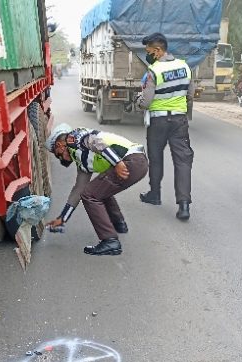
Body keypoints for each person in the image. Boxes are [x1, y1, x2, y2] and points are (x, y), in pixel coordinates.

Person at [45, 123, 148, 256]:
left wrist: (116, 162)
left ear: (59, 145)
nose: (60, 159)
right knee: (97, 189)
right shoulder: (81, 160)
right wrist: (63, 218)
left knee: (90, 194)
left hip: (131, 161)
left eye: (57, 154)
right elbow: (78, 190)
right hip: (136, 162)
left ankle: (110, 241)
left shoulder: (74, 138)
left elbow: (95, 142)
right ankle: (118, 223)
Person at [136, 32, 195, 220]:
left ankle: (155, 194)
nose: (148, 54)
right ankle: (184, 205)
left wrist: (138, 102)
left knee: (156, 157)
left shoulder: (154, 71)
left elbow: (146, 101)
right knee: (183, 161)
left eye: (149, 51)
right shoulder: (185, 67)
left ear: (158, 50)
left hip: (158, 121)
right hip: (179, 121)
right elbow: (190, 94)